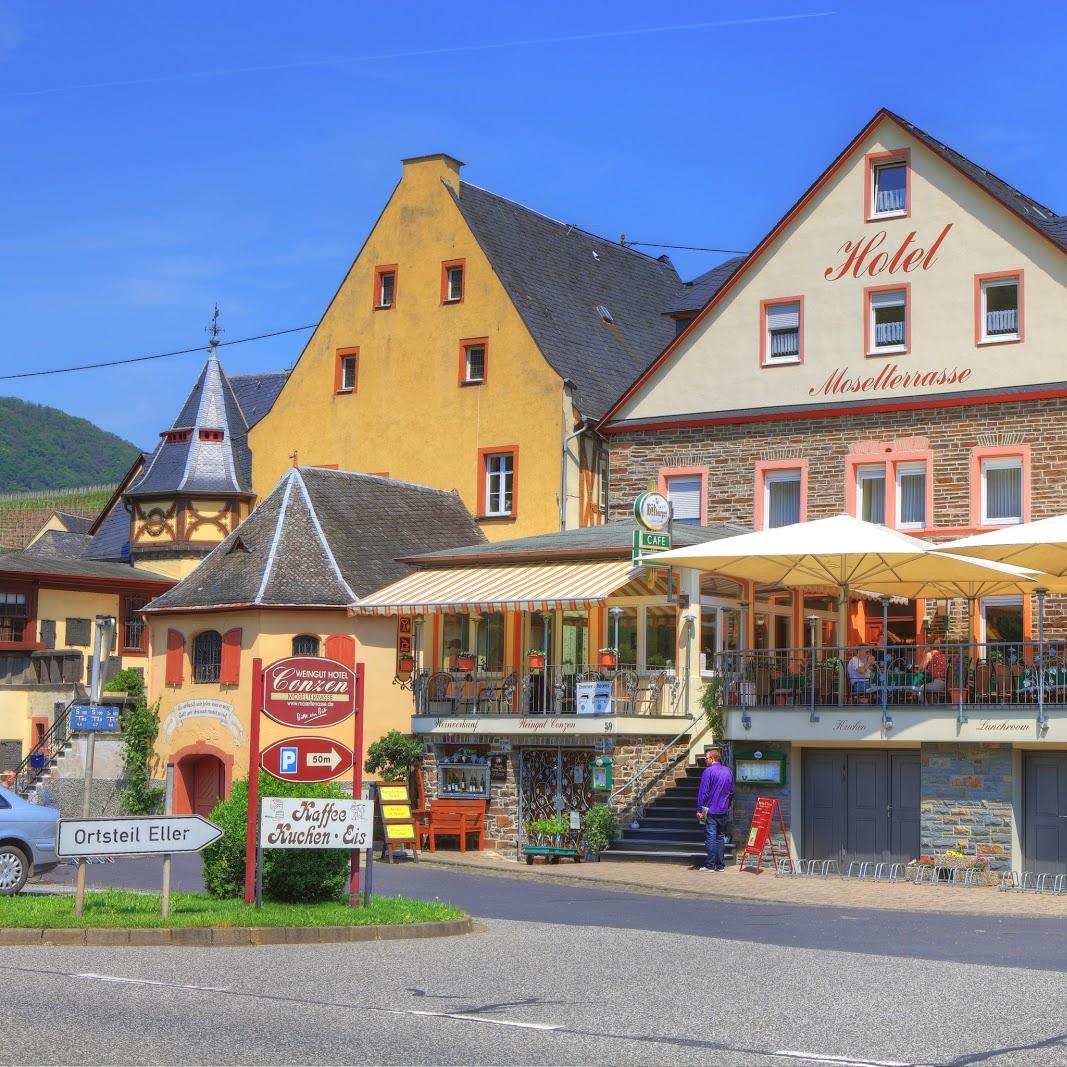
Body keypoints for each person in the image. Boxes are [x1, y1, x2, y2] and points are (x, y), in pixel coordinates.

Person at [696, 747, 734, 872]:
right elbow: (731, 792)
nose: (705, 760)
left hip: (711, 810)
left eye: (706, 758)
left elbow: (703, 793)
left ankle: (710, 865)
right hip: (723, 810)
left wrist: (699, 809)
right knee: (720, 837)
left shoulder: (708, 772)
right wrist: (727, 805)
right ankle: (720, 865)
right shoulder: (728, 771)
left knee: (711, 837)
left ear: (712, 758)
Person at [923, 635, 947, 700]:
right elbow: (932, 670)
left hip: (937, 684)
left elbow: (921, 668)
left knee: (920, 688)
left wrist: (925, 653)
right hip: (945, 684)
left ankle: (924, 707)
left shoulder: (930, 654)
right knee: (928, 686)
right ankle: (932, 705)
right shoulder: (942, 655)